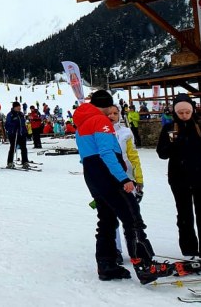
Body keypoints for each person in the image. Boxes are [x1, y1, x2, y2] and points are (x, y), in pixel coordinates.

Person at [74, 89, 171, 284]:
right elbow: (106, 153)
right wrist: (123, 178)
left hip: (92, 175)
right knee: (131, 215)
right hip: (107, 174)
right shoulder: (100, 121)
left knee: (107, 220)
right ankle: (144, 263)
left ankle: (106, 265)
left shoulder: (81, 122)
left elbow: (87, 154)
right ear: (108, 105)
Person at [156, 93, 201, 259]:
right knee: (184, 214)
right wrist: (171, 144)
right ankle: (189, 250)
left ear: (192, 111)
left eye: (187, 112)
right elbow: (162, 154)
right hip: (178, 177)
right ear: (175, 112)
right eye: (180, 112)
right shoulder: (169, 128)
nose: (184, 115)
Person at [107, 104, 144, 263]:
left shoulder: (126, 133)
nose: (112, 116)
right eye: (109, 113)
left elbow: (133, 156)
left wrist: (139, 179)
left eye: (116, 113)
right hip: (108, 178)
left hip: (127, 178)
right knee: (111, 215)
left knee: (131, 214)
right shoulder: (100, 132)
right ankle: (115, 249)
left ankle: (136, 246)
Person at [4, 102, 29, 169]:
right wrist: (14, 126)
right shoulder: (10, 114)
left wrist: (25, 131)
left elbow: (23, 124)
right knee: (13, 148)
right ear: (14, 107)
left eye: (19, 107)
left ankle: (25, 162)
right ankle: (10, 162)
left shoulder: (21, 114)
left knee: (24, 148)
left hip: (21, 133)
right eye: (18, 107)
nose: (19, 108)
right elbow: (7, 125)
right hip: (13, 134)